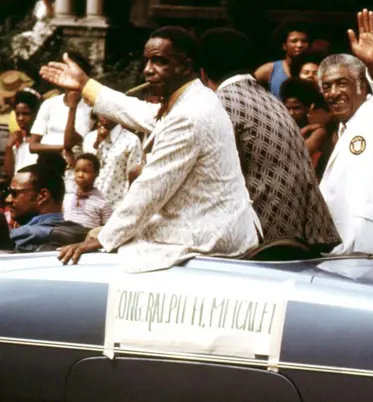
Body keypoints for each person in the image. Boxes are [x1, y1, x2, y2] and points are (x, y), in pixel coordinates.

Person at [40, 26, 261, 272]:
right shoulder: (194, 98)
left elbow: (150, 189)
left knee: (112, 254)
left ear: (186, 66)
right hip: (218, 227)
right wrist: (86, 85)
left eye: (159, 61)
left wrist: (102, 239)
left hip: (210, 238)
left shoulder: (190, 114)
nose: (147, 70)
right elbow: (142, 112)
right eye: (146, 61)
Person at [199, 28, 340, 253]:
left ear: (204, 74)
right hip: (303, 235)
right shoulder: (271, 101)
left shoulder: (218, 104)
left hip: (262, 244)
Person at [319, 9, 373, 256]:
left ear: (361, 85)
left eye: (341, 83)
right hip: (342, 253)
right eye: (326, 87)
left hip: (371, 252)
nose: (333, 92)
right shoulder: (343, 128)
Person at [29, 51, 94, 192]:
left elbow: (69, 141)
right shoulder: (49, 104)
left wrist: (72, 107)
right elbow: (33, 146)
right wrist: (61, 149)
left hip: (71, 171)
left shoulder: (89, 107)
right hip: (46, 165)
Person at [66, 111, 143, 209]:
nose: (102, 115)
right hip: (88, 205)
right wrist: (98, 143)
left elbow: (134, 177)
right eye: (100, 110)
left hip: (115, 205)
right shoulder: (90, 137)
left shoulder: (131, 140)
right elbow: (85, 169)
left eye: (107, 110)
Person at [5, 163, 88, 251]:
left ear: (42, 196)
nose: (8, 199)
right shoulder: (85, 235)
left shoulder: (21, 237)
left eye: (14, 193)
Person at [254, 22, 311, 99]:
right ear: (284, 46)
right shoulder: (270, 69)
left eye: (304, 41)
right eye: (294, 41)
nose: (299, 45)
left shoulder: (314, 70)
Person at [280, 77, 329, 163]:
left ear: (309, 107)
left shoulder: (318, 131)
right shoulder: (281, 126)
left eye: (296, 108)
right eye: (287, 108)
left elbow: (297, 155)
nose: (291, 113)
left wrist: (304, 131)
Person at [63, 153, 112, 229]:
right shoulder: (66, 198)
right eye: (77, 170)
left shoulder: (102, 202)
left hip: (88, 238)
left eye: (85, 171)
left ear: (96, 173)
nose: (80, 175)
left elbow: (107, 229)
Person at [4, 88, 40, 177]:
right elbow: (10, 174)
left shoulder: (43, 138)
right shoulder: (16, 139)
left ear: (36, 114)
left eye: (26, 114)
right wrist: (9, 147)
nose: (20, 118)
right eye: (17, 114)